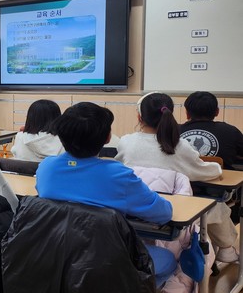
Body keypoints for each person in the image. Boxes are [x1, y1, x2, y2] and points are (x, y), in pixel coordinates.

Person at [116, 92, 237, 261]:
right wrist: (217, 166)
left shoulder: (126, 142)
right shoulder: (179, 146)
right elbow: (206, 172)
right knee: (217, 207)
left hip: (132, 209)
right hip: (171, 213)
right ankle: (226, 250)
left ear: (139, 116)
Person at [37, 102, 172, 224]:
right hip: (103, 250)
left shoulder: (46, 167)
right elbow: (163, 214)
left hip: (54, 247)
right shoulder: (118, 176)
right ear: (108, 138)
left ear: (60, 136)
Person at [180, 91, 243, 169]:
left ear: (187, 114)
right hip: (219, 180)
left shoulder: (174, 131)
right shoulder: (230, 131)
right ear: (217, 112)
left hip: (182, 180)